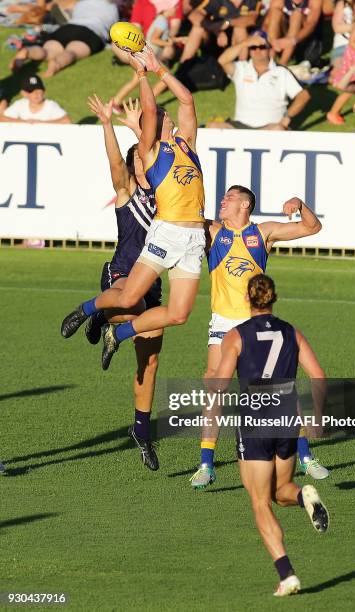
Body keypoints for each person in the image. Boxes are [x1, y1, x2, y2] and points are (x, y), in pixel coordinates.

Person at [61, 46, 206, 372]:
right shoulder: (151, 152)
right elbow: (151, 110)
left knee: (179, 314)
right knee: (128, 299)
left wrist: (159, 69)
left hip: (193, 238)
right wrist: (141, 76)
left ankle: (119, 333)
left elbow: (187, 100)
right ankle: (87, 309)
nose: (166, 114)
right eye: (159, 116)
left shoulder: (187, 145)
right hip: (167, 233)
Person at [190, 186, 328, 489]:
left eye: (229, 198)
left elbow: (311, 227)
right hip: (223, 323)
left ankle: (305, 456)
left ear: (244, 204)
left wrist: (301, 204)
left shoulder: (262, 233)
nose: (222, 201)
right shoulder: (212, 230)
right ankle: (206, 464)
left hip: (255, 322)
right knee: (214, 384)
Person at [210, 273, 329, 597]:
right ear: (274, 298)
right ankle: (303, 494)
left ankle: (286, 574)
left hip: (254, 422)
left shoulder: (235, 336)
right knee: (281, 491)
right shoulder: (291, 332)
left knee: (261, 502)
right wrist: (318, 420)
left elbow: (219, 386)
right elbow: (318, 375)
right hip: (287, 419)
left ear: (248, 300)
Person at [85, 93, 163, 469]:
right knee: (132, 304)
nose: (142, 162)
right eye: (138, 158)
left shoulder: (168, 198)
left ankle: (142, 431)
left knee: (149, 363)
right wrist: (107, 123)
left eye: (146, 156)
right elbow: (115, 161)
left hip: (154, 284)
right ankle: (101, 317)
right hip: (122, 276)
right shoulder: (127, 190)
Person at [207, 31, 310, 130]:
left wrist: (287, 117)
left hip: (270, 127)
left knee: (278, 129)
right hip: (240, 126)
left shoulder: (281, 72)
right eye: (253, 47)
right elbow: (222, 61)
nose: (257, 50)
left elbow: (304, 96)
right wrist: (245, 43)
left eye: (262, 47)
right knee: (213, 127)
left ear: (269, 49)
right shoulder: (241, 68)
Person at [9, 0, 118, 77]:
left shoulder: (81, 3)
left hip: (68, 27)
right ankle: (57, 64)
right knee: (72, 52)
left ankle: (28, 52)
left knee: (47, 52)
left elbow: (57, 7)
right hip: (92, 32)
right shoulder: (113, 9)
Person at [265, 0, 323, 66]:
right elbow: (267, 23)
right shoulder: (278, 1)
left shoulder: (314, 1)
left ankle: (283, 63)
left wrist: (293, 40)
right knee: (275, 13)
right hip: (280, 42)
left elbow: (311, 25)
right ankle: (269, 61)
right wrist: (273, 42)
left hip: (303, 40)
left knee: (297, 14)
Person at [0, 74, 71, 124]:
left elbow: (67, 121)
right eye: (31, 91)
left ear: (43, 91)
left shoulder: (50, 105)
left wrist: (41, 123)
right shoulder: (20, 104)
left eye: (38, 90)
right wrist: (24, 123)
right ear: (24, 93)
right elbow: (2, 118)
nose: (36, 94)